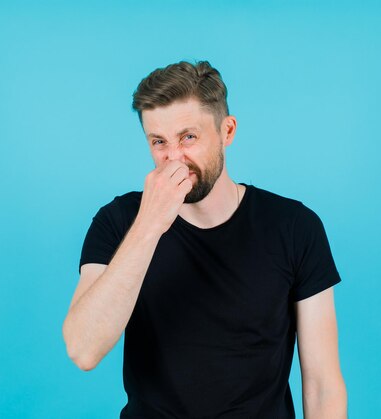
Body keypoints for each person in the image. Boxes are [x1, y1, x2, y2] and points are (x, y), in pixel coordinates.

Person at [62, 60, 347, 418]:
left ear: (227, 132)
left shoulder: (295, 227)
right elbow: (83, 349)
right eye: (158, 142)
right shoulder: (119, 222)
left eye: (189, 137)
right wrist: (150, 224)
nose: (174, 158)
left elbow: (322, 385)